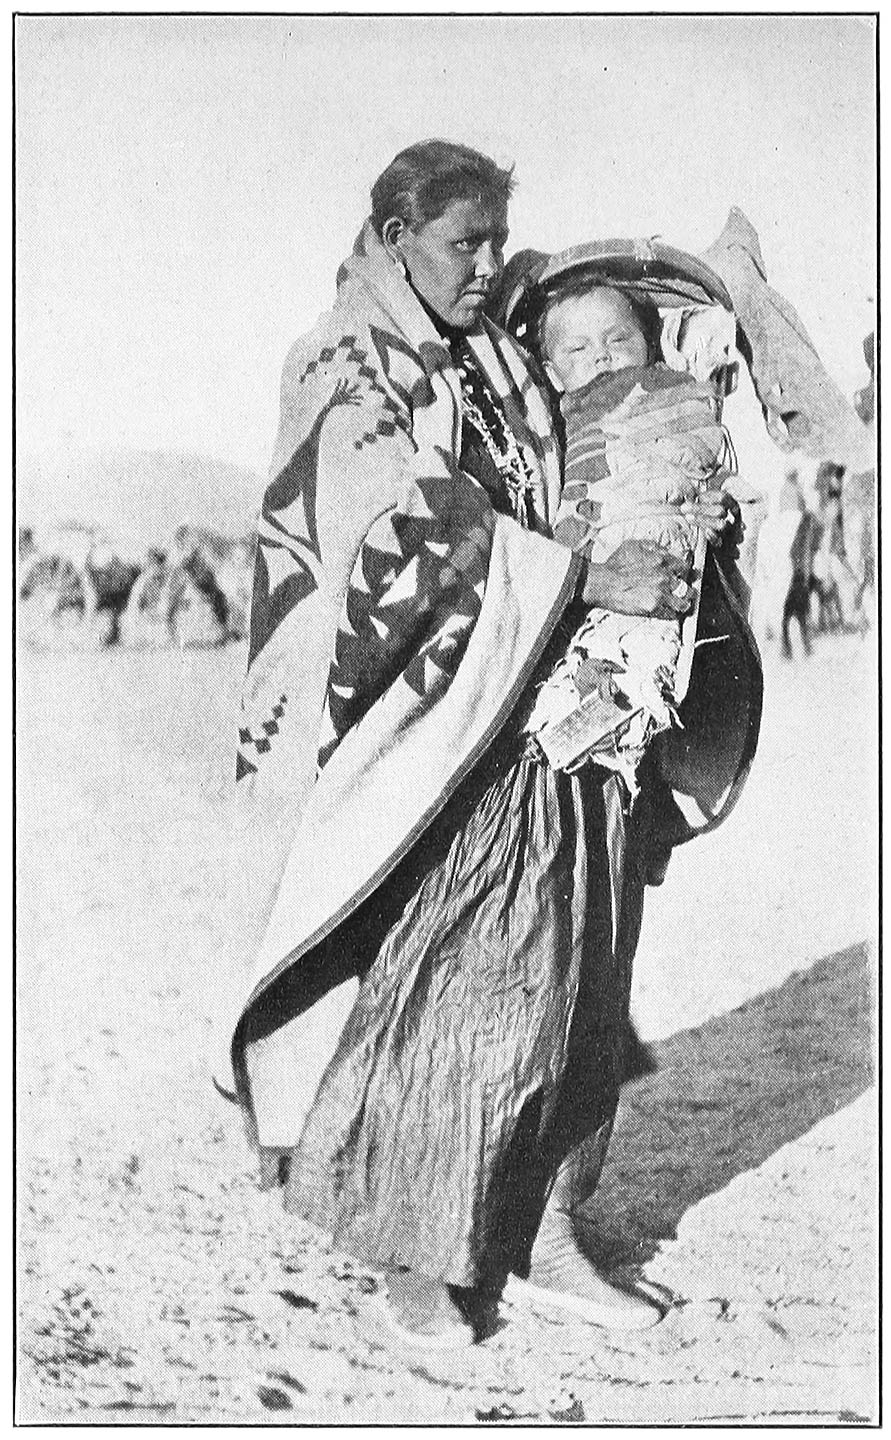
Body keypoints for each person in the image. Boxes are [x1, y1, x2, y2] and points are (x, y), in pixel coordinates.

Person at [220, 140, 732, 1351]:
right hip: (456, 719)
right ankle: (415, 1256)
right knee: (474, 975)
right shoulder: (347, 361)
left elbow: (599, 362)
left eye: (499, 240)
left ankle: (548, 1230)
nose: (490, 266)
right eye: (466, 244)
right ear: (396, 235)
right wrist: (575, 570)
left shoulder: (494, 341)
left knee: (587, 962)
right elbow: (386, 534)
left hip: (584, 696)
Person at [521, 281, 737, 785]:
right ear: (552, 374)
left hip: (661, 548)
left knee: (650, 652)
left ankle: (617, 725)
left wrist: (713, 503)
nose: (602, 358)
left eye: (618, 341)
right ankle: (567, 724)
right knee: (578, 657)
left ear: (647, 342)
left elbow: (704, 458)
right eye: (579, 350)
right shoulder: (555, 421)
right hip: (587, 562)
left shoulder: (669, 388)